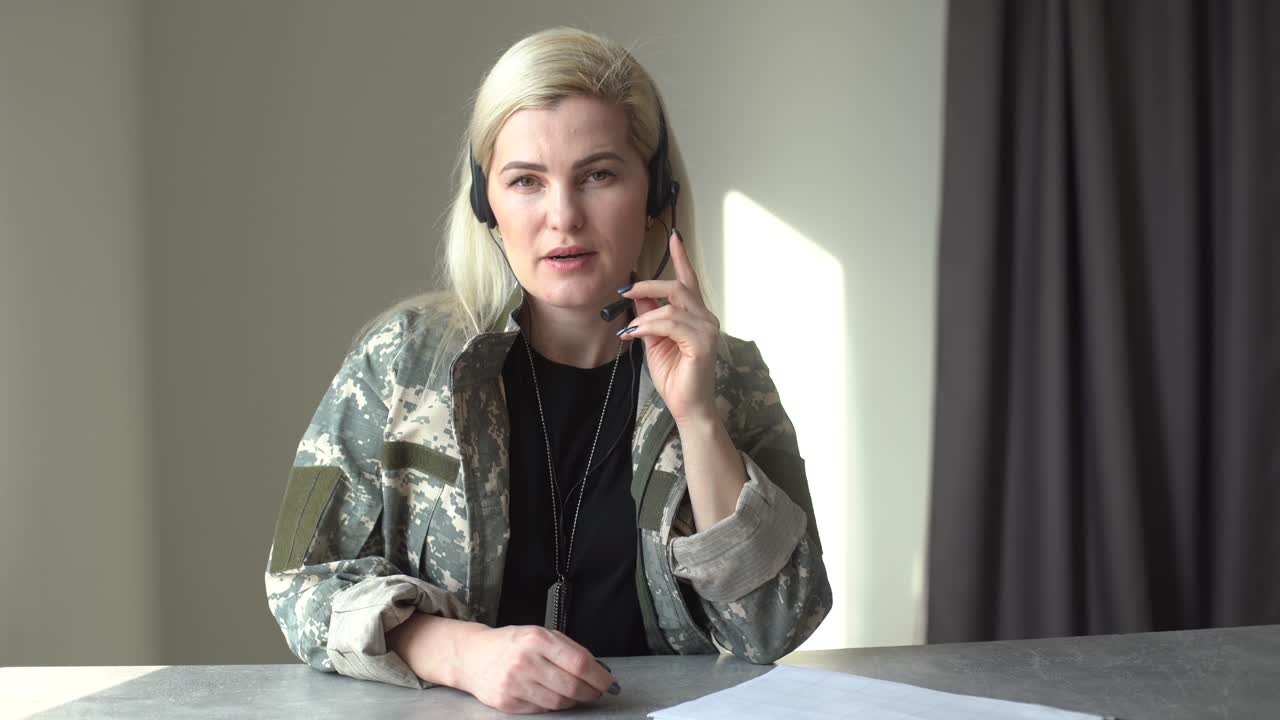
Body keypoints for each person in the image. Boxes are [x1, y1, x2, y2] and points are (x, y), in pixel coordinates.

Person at [264, 26, 831, 714]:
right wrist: (460, 652)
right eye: (526, 181)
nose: (563, 216)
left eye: (598, 175)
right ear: (487, 204)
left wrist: (699, 418)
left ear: (656, 193)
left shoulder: (730, 374)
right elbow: (296, 579)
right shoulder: (398, 363)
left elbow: (775, 626)